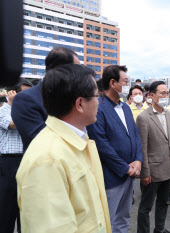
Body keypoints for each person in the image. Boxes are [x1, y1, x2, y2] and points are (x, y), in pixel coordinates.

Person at [16, 64, 111, 233]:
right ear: (80, 103)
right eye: (97, 96)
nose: (99, 102)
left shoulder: (79, 139)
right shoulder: (46, 160)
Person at [87, 65, 143, 233]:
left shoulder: (125, 107)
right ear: (113, 82)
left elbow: (135, 134)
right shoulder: (99, 107)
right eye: (125, 81)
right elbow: (101, 144)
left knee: (124, 216)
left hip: (130, 174)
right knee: (108, 220)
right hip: (112, 176)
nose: (128, 85)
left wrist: (138, 160)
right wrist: (124, 168)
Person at [11, 47, 80, 152]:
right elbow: (40, 140)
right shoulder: (25, 99)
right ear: (60, 69)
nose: (79, 75)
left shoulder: (75, 97)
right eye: (76, 69)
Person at [136, 81, 170, 233]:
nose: (165, 96)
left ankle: (159, 229)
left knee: (163, 202)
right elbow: (142, 147)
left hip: (168, 167)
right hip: (152, 170)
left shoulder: (169, 114)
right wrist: (145, 172)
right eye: (162, 93)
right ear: (152, 95)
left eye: (167, 93)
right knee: (145, 207)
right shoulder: (143, 118)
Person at [0, 79, 33, 233]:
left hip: (26, 161)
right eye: (23, 94)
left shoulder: (29, 112)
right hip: (8, 164)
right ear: (13, 94)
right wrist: (15, 104)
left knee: (25, 212)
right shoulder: (2, 110)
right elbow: (13, 124)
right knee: (7, 211)